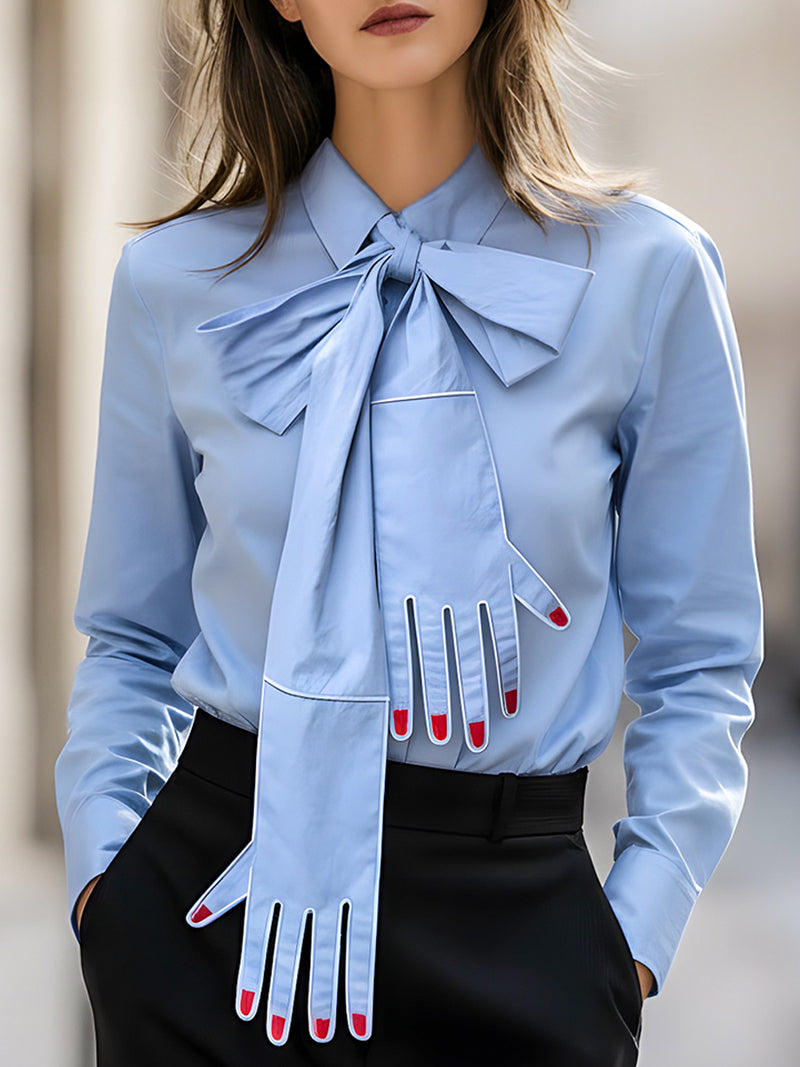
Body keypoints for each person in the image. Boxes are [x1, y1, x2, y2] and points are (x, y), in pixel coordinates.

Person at [53, 1, 763, 1065]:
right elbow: (131, 637)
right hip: (209, 918)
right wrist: (106, 889)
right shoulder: (173, 287)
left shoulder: (646, 277)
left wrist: (630, 938)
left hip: (518, 937)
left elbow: (699, 657)